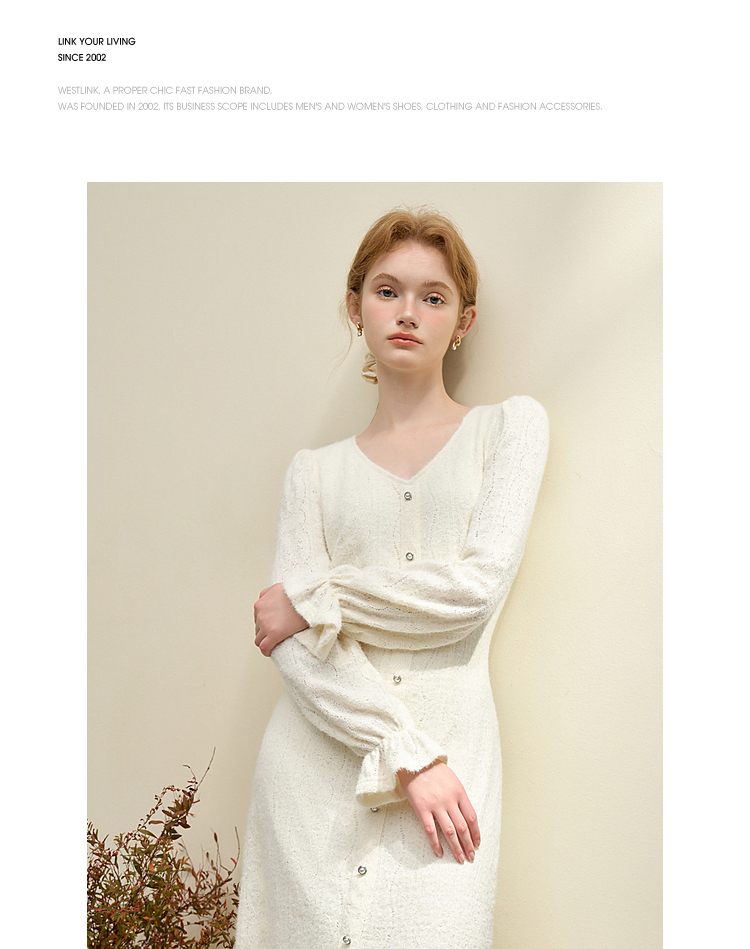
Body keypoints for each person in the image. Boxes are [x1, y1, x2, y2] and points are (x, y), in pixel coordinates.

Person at [235, 208, 549, 949]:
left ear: (463, 321)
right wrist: (407, 752)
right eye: (387, 291)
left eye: (433, 297)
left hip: (451, 781)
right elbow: (296, 649)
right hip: (316, 777)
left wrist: (315, 599)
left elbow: (471, 595)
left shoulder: (509, 429)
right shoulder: (312, 473)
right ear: (356, 307)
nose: (408, 311)